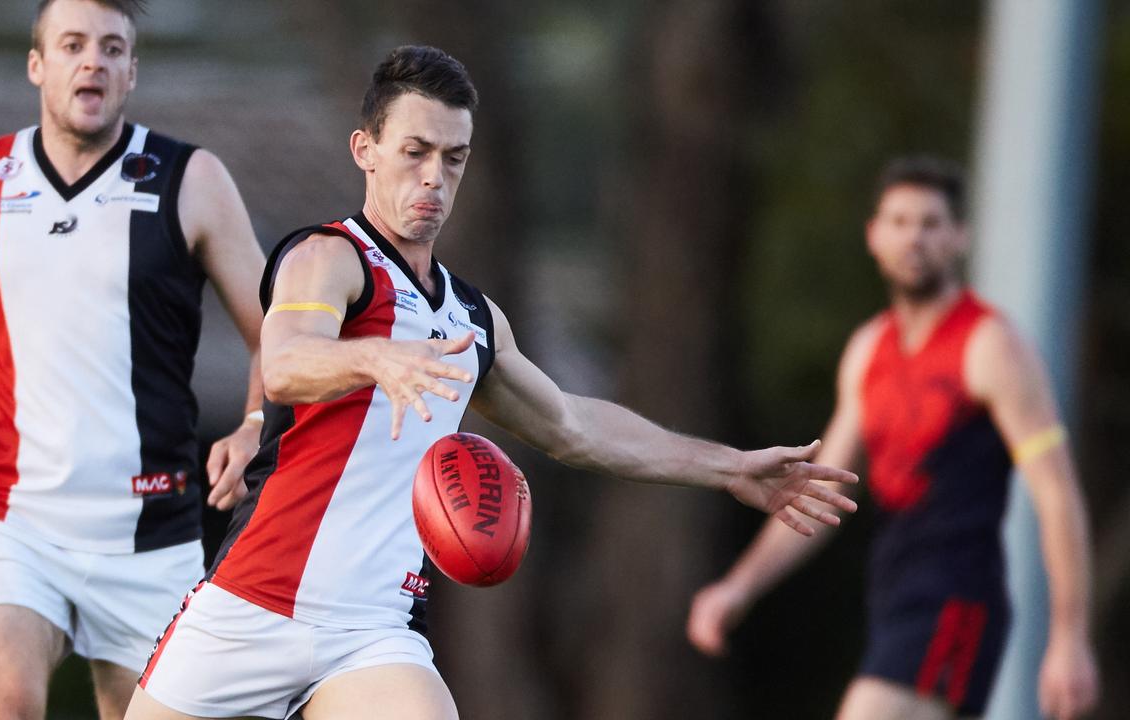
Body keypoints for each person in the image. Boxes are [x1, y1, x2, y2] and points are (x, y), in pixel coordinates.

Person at [126, 44, 859, 720]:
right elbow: (286, 363)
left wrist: (729, 467)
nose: (433, 177)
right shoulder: (329, 260)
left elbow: (573, 426)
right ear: (367, 151)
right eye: (414, 152)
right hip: (249, 607)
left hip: (370, 630)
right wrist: (377, 358)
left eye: (453, 158)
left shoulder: (471, 317)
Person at [0, 0, 267, 717]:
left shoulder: (192, 180)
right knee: (5, 704)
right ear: (38, 65)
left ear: (131, 72)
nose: (94, 60)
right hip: (7, 512)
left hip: (150, 525)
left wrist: (254, 422)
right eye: (74, 44)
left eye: (113, 48)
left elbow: (277, 329)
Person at [686, 157, 1100, 720]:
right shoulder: (868, 352)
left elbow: (1057, 496)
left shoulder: (991, 346)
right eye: (900, 222)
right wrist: (738, 587)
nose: (914, 238)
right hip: (891, 597)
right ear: (874, 237)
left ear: (959, 238)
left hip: (956, 601)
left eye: (931, 224)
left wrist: (1069, 637)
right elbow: (816, 492)